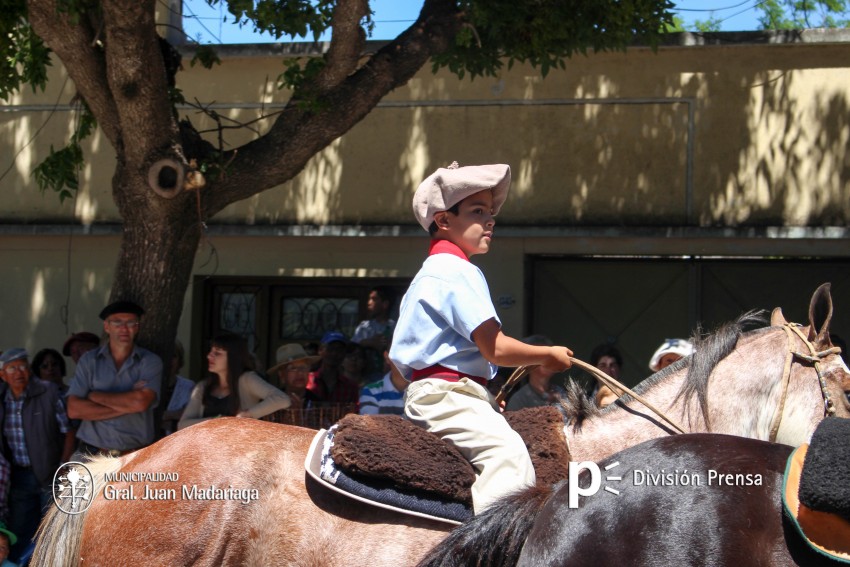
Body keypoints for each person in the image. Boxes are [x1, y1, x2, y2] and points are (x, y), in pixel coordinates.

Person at [389, 162, 572, 514]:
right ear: (444, 221)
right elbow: (496, 348)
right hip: (446, 396)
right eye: (477, 211)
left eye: (490, 212)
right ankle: (494, 551)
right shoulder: (456, 270)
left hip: (446, 393)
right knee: (507, 455)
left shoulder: (434, 272)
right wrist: (546, 355)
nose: (490, 220)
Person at [0, 349, 74, 561]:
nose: (19, 372)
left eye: (23, 366)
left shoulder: (47, 392)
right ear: (2, 375)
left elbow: (68, 431)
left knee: (54, 531)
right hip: (18, 477)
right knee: (21, 531)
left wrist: (63, 464)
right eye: (12, 368)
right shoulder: (2, 398)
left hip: (50, 474)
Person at [67, 301, 162, 457]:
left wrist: (94, 396)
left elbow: (141, 402)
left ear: (137, 327)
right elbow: (74, 409)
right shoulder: (89, 361)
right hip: (91, 454)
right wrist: (128, 404)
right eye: (117, 322)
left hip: (134, 457)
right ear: (107, 327)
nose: (124, 328)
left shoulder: (150, 361)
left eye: (130, 322)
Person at [177, 334, 291, 430]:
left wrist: (248, 414)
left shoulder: (247, 379)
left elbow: (282, 399)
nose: (209, 356)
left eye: (217, 353)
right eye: (210, 352)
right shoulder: (203, 386)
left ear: (233, 357)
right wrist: (215, 421)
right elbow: (182, 425)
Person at [505, 335, 567, 411]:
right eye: (543, 357)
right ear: (529, 364)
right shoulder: (519, 399)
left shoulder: (561, 393)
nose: (549, 361)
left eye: (550, 357)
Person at [352, 286, 396, 379]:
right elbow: (352, 347)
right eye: (369, 299)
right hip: (365, 378)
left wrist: (388, 344)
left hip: (390, 378)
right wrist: (369, 342)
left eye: (374, 299)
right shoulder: (364, 327)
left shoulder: (395, 327)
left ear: (385, 304)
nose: (369, 303)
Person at [306, 331, 360, 406]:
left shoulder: (350, 387)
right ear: (320, 350)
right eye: (330, 349)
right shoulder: (307, 380)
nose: (334, 353)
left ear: (344, 353)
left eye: (339, 350)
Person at [269, 343, 322, 410]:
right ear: (282, 374)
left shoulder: (318, 403)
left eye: (303, 367)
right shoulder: (271, 403)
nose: (300, 372)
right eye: (292, 368)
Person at [158, 340, 195, 437]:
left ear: (180, 360)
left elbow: (192, 414)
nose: (169, 360)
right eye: (166, 355)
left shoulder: (188, 386)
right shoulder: (146, 384)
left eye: (173, 356)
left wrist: (166, 415)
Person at [359, 350, 407, 416]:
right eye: (401, 354)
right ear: (387, 357)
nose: (407, 360)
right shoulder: (370, 391)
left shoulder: (425, 388)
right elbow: (369, 425)